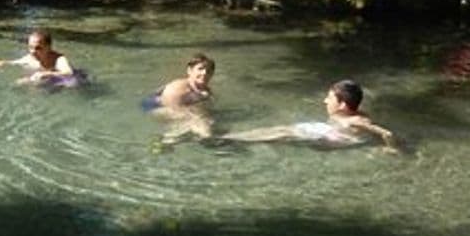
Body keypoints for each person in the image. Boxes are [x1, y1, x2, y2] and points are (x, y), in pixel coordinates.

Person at [217, 79, 402, 152]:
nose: (325, 101)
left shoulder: (356, 120)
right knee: (282, 130)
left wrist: (391, 149)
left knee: (283, 133)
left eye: (329, 98)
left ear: (343, 104)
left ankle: (229, 140)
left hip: (328, 136)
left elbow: (387, 133)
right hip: (327, 132)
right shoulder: (351, 115)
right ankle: (230, 139)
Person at [143, 53, 216, 139]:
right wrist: (198, 118)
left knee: (206, 120)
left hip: (174, 105)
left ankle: (190, 135)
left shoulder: (205, 90)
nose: (204, 73)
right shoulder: (178, 89)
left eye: (209, 70)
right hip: (155, 106)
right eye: (200, 69)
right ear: (189, 71)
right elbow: (171, 107)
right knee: (202, 123)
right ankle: (166, 139)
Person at [0, 28, 81, 86]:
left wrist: (47, 74)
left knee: (72, 84)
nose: (33, 51)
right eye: (30, 47)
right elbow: (11, 63)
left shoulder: (59, 59)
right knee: (23, 82)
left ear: (48, 47)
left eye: (38, 48)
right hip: (49, 79)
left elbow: (69, 72)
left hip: (70, 78)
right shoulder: (30, 58)